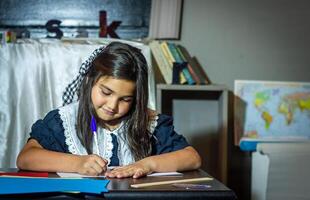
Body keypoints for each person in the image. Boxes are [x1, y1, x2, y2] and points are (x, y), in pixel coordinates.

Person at [17, 41, 201, 178]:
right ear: (89, 82)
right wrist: (77, 163)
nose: (112, 106)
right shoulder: (65, 119)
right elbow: (26, 157)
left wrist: (149, 164)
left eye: (125, 99)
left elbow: (192, 157)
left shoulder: (149, 122)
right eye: (106, 92)